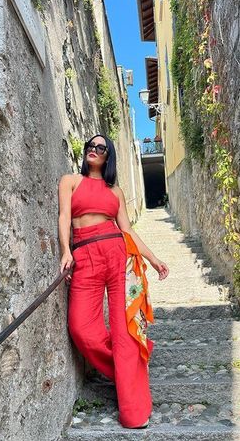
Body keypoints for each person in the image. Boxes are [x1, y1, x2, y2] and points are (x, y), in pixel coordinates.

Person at [58, 133, 169, 429]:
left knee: (124, 332)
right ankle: (129, 372)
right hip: (84, 256)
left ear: (108, 156)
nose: (94, 150)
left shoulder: (115, 191)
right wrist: (66, 250)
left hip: (118, 254)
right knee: (81, 328)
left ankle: (134, 410)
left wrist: (153, 258)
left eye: (101, 147)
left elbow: (127, 231)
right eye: (90, 146)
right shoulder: (70, 181)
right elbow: (64, 217)